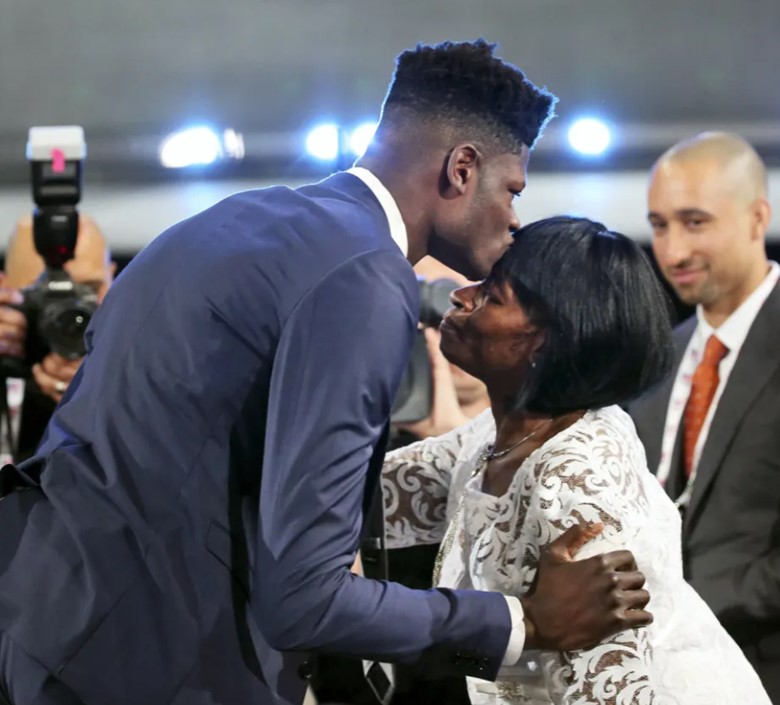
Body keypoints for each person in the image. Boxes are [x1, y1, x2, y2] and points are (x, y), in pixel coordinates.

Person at [0, 41, 650, 705]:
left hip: (45, 625)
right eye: (513, 188)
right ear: (461, 169)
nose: (514, 218)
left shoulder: (233, 220)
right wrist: (523, 620)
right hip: (144, 667)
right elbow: (303, 597)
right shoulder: (364, 278)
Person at [382, 216, 771, 704]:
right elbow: (364, 500)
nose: (460, 296)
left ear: (547, 342)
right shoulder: (496, 437)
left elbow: (611, 694)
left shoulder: (577, 482)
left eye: (492, 295)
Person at [630, 131, 780, 701]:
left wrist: (681, 606)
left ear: (756, 218)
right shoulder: (656, 359)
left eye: (695, 222)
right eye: (661, 225)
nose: (672, 251)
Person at [0, 214, 115, 463]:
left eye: (89, 289)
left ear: (113, 281)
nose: (68, 314)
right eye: (43, 293)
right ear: (6, 289)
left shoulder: (145, 366)